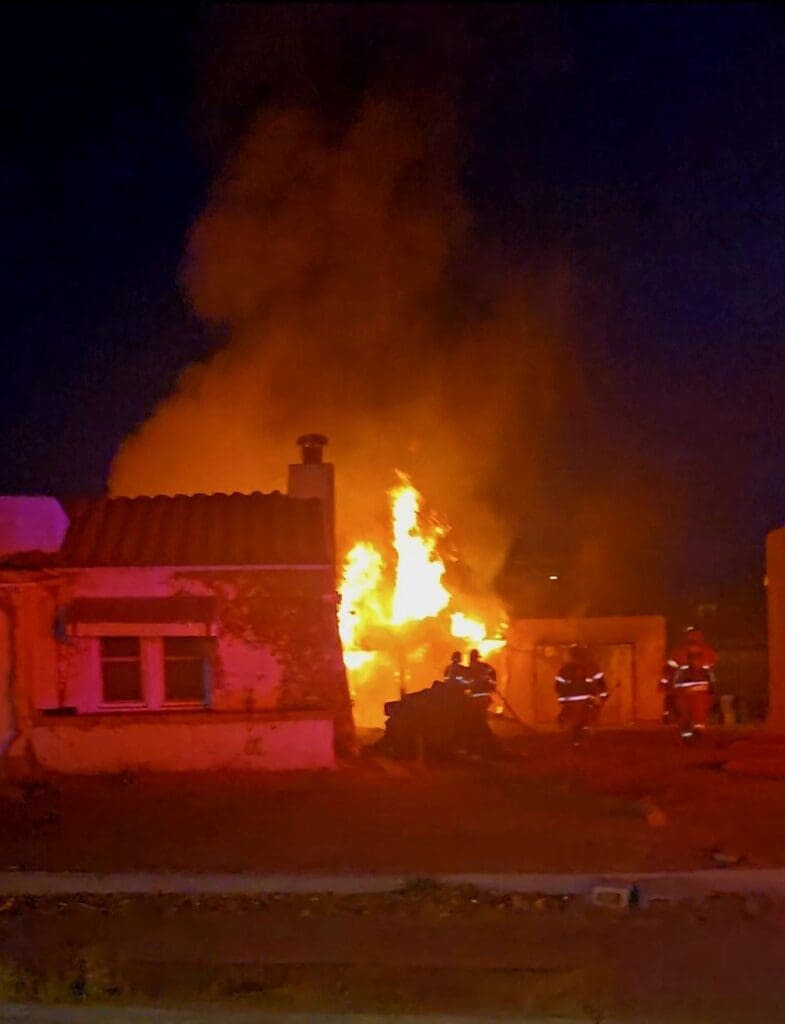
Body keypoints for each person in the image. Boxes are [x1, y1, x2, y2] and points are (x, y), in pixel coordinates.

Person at [663, 627, 717, 740]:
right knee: (697, 711)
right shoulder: (706, 651)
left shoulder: (680, 651)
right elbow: (711, 666)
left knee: (686, 711)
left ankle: (689, 734)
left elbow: (670, 668)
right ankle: (697, 730)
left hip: (684, 686)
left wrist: (665, 681)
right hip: (699, 685)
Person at [554, 644, 608, 742]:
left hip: (569, 701)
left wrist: (562, 697)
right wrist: (604, 695)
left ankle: (571, 728)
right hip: (587, 700)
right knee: (588, 718)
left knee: (573, 720)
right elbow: (600, 682)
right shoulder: (592, 666)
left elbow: (558, 685)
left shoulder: (566, 668)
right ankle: (586, 734)